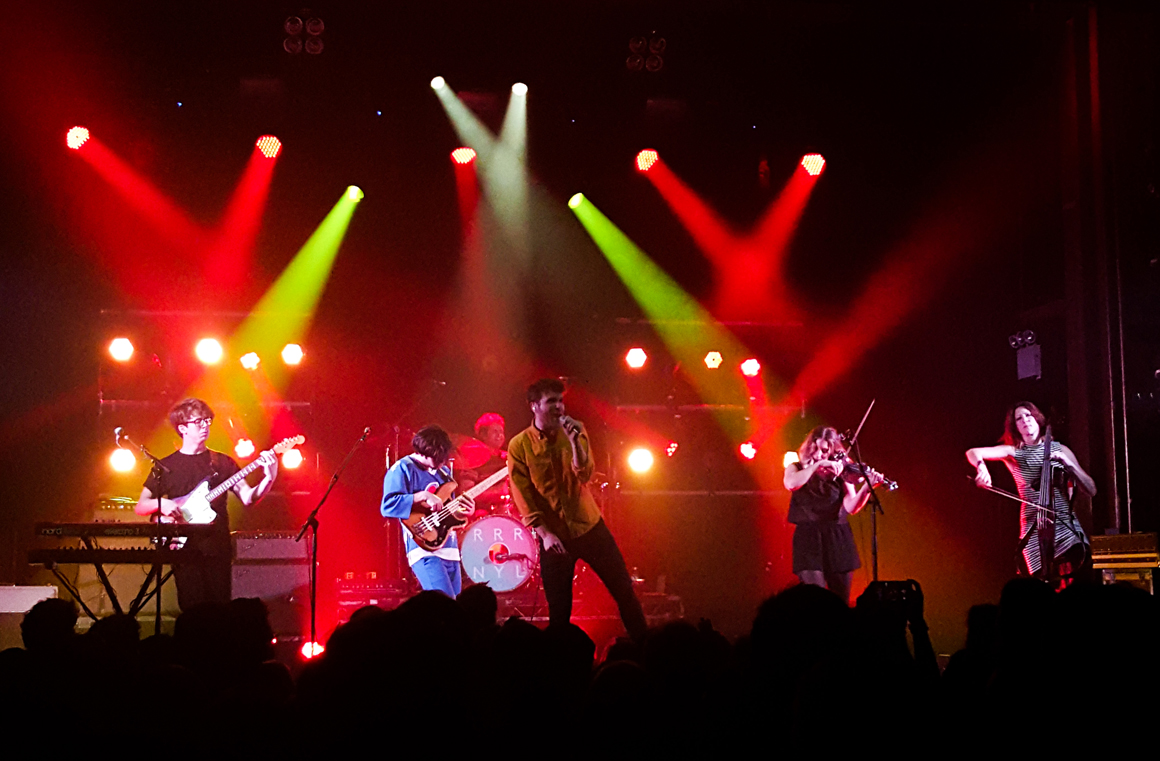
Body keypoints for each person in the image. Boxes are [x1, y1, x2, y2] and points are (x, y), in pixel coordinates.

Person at [507, 378, 647, 641]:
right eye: (552, 401)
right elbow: (522, 494)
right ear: (534, 406)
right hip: (555, 536)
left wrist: (574, 442)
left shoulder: (576, 429)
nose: (559, 407)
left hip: (589, 526)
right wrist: (545, 534)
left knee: (624, 592)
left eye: (561, 401)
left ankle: (646, 650)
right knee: (559, 610)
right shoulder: (519, 445)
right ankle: (561, 667)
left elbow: (585, 474)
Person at [134, 398, 278, 610]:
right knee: (192, 608)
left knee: (220, 608)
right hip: (183, 547)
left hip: (216, 546)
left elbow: (248, 498)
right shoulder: (166, 466)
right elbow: (141, 506)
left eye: (208, 420)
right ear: (183, 428)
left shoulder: (222, 462)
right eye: (199, 421)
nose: (205, 425)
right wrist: (163, 504)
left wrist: (269, 478)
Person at [966, 401, 1095, 580]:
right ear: (1015, 426)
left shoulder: (1060, 449)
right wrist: (981, 468)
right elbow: (973, 452)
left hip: (1065, 526)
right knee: (1039, 587)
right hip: (1034, 527)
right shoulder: (1014, 452)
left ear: (1037, 418)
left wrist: (1069, 463)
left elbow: (1091, 489)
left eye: (1028, 415)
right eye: (1019, 418)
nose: (1025, 420)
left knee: (1079, 582)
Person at [783, 425, 880, 605]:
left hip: (837, 536)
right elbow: (791, 484)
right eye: (815, 448)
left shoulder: (841, 470)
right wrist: (818, 465)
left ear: (833, 450)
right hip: (808, 538)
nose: (819, 454)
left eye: (825, 450)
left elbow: (851, 507)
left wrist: (867, 489)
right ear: (809, 446)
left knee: (840, 601)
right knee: (815, 600)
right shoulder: (795, 467)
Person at [381, 425, 475, 598]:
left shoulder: (444, 472)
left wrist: (464, 512)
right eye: (438, 458)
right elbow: (387, 506)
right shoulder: (402, 468)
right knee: (444, 607)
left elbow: (447, 513)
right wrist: (422, 496)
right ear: (425, 452)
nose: (442, 462)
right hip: (423, 548)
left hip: (449, 548)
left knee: (454, 610)